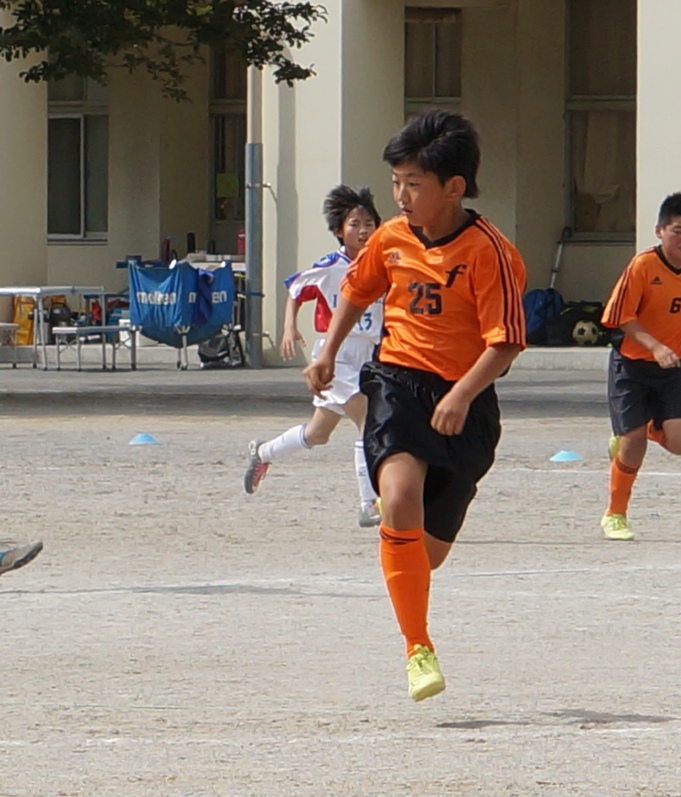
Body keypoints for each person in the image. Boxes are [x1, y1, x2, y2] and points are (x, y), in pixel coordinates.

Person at [303, 110, 526, 702]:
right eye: (396, 182)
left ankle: (409, 574)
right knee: (399, 499)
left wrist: (462, 393)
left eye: (413, 184)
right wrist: (327, 352)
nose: (400, 196)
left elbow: (506, 342)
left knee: (424, 558)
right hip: (398, 382)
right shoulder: (391, 238)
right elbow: (357, 291)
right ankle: (418, 649)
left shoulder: (491, 253)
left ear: (454, 187)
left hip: (465, 402)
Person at [243, 186, 385, 528]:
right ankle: (369, 504)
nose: (363, 230)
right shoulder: (331, 266)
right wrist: (289, 327)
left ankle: (263, 452)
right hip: (336, 356)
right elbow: (296, 289)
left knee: (318, 433)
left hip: (368, 354)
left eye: (369, 223)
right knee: (369, 421)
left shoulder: (382, 264)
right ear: (339, 231)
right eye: (354, 224)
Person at [599, 192, 681, 542]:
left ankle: (641, 429)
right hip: (632, 364)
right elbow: (620, 317)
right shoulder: (642, 266)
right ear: (660, 231)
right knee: (633, 443)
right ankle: (615, 514)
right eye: (677, 231)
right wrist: (655, 345)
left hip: (670, 367)